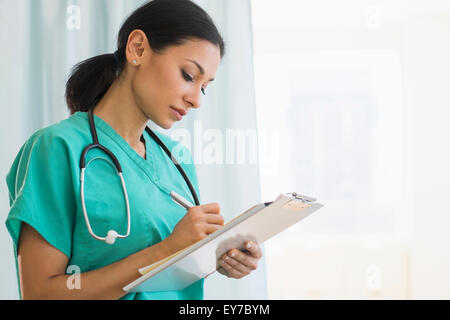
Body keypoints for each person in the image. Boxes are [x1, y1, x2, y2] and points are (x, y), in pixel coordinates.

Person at [5, 0, 262, 300]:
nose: (196, 100)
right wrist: (167, 249)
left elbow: (172, 275)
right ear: (138, 48)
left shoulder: (177, 161)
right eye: (189, 76)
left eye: (204, 87)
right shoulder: (56, 149)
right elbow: (40, 293)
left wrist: (218, 257)